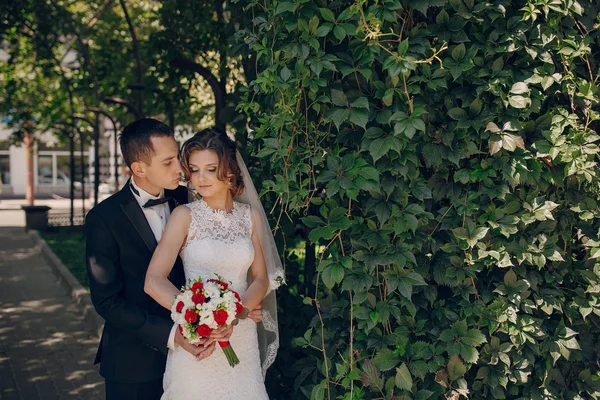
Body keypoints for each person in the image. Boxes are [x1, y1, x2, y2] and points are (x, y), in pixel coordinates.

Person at [85, 119, 242, 400]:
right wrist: (172, 334)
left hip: (197, 362)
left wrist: (238, 308)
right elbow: (107, 301)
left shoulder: (190, 199)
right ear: (139, 168)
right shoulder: (103, 219)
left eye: (177, 158)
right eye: (168, 162)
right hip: (133, 363)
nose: (180, 169)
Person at [144, 128, 284, 399]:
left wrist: (236, 313)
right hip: (199, 339)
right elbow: (153, 281)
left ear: (230, 172)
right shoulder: (184, 216)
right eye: (194, 170)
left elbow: (260, 279)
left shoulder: (250, 217)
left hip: (240, 338)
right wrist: (196, 317)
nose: (200, 178)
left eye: (210, 169)